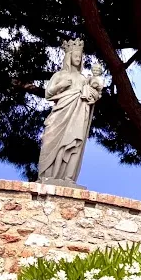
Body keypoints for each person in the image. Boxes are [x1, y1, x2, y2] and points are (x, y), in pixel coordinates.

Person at [36, 38, 106, 186]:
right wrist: (60, 85)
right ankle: (47, 175)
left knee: (74, 143)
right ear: (69, 57)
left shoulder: (83, 79)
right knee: (49, 141)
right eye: (75, 56)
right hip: (60, 113)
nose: (78, 59)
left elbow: (92, 95)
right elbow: (48, 94)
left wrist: (93, 90)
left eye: (80, 57)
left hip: (78, 114)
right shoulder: (60, 75)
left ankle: (68, 178)